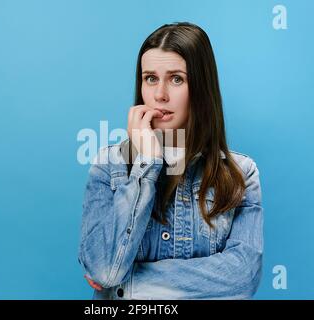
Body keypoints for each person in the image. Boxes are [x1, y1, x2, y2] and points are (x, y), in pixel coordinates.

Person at [77, 22, 264, 299]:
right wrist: (148, 163)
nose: (160, 94)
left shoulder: (241, 174)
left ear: (200, 87)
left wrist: (126, 288)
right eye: (150, 78)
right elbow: (104, 271)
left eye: (176, 79)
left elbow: (242, 277)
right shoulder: (109, 165)